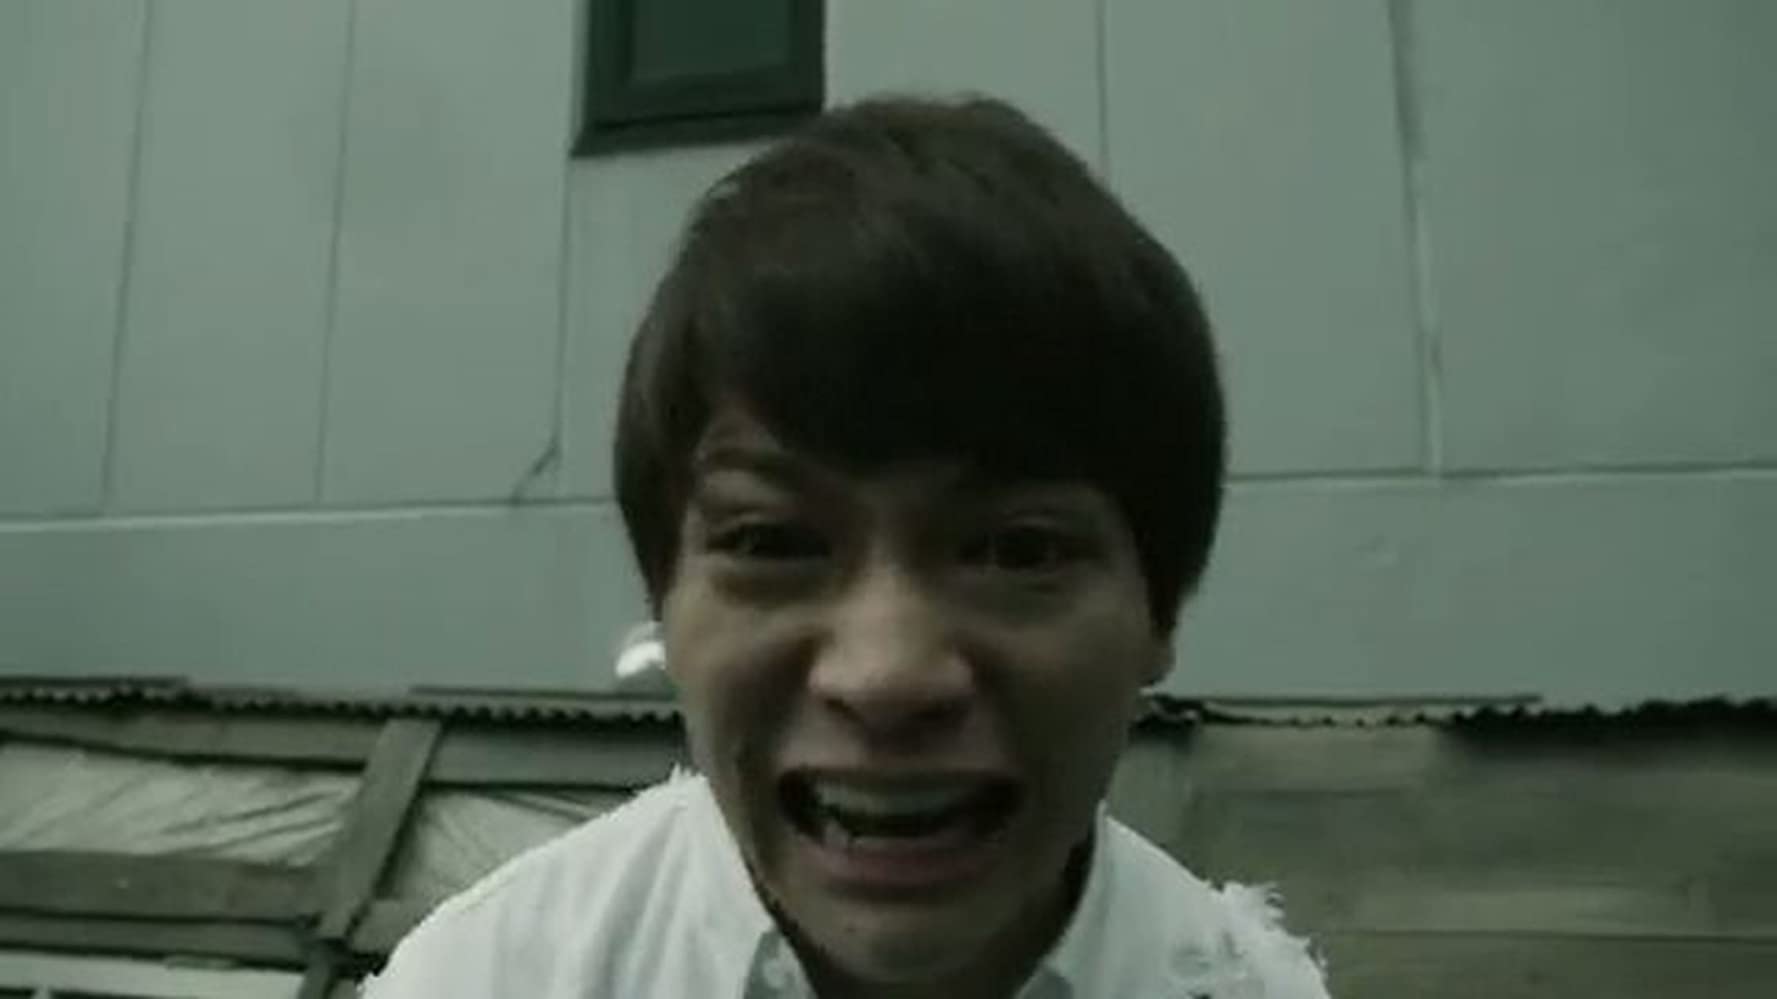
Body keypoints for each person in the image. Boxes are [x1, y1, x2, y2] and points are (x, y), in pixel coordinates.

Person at [363, 95, 1330, 998]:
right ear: (665, 600)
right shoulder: (488, 977)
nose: (886, 676)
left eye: (1017, 551)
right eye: (773, 541)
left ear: (1159, 610)